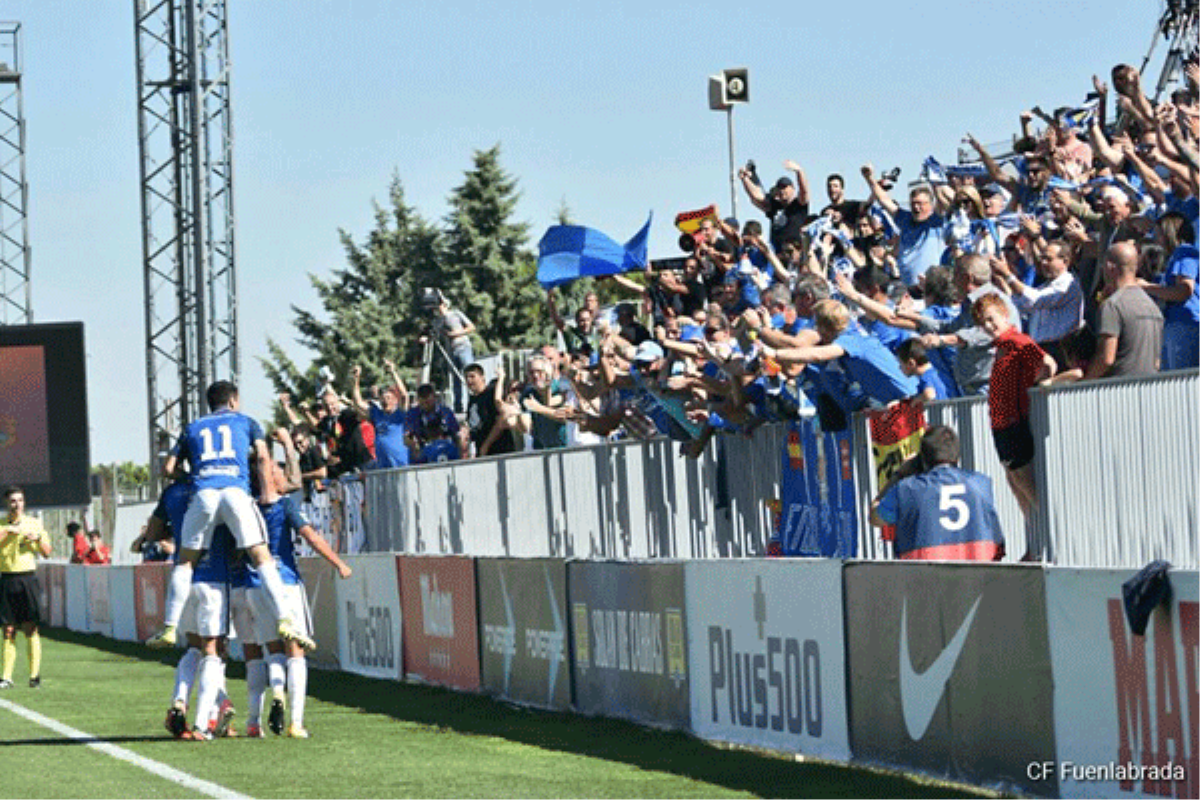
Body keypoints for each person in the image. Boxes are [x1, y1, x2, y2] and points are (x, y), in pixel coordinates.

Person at [148, 380, 312, 652]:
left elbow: (167, 468)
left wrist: (191, 477)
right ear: (234, 400)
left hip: (204, 493)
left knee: (185, 562)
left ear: (210, 403)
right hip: (236, 492)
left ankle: (169, 626)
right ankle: (285, 618)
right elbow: (262, 457)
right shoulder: (246, 422)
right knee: (261, 557)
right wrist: (265, 490)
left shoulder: (193, 427)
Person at [235, 456, 352, 739]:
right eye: (277, 469)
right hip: (284, 583)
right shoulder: (285, 505)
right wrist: (338, 563)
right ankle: (296, 722)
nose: (282, 474)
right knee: (295, 651)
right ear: (269, 476)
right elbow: (311, 537)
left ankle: (274, 696)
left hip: (254, 585)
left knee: (273, 650)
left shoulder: (247, 508)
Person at [972, 293, 1056, 558]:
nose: (988, 326)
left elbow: (1047, 363)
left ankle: (1050, 543)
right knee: (1016, 485)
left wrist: (1041, 383)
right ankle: (1034, 545)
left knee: (1027, 485)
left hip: (1014, 422)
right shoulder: (1001, 347)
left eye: (991, 319)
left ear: (1004, 314)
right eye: (983, 323)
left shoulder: (1018, 341)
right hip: (1000, 424)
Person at [870, 426, 1005, 561]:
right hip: (978, 573)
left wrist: (899, 474)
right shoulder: (981, 484)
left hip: (922, 574)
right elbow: (997, 546)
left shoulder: (905, 489)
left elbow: (874, 517)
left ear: (922, 460)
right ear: (957, 456)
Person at [1085, 241, 1163, 378]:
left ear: (1109, 266)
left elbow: (1106, 359)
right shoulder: (1153, 307)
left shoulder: (1112, 305)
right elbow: (1156, 362)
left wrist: (1086, 381)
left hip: (1119, 386)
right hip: (1150, 386)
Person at [0, 486, 52, 689]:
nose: (17, 505)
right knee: (8, 629)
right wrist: (8, 532)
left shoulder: (34, 523)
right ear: (7, 503)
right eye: (13, 501)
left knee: (30, 627)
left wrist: (36, 539)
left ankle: (34, 676)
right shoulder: (2, 524)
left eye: (20, 500)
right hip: (7, 579)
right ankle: (6, 677)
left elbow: (47, 552)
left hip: (28, 579)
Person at [1140, 211, 1200, 369]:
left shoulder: (1184, 251)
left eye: (1159, 234)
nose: (1156, 239)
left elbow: (1184, 290)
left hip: (1184, 324)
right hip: (1175, 323)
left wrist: (1146, 286)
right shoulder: (1175, 256)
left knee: (1182, 378)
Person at [351, 361, 410, 470]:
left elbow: (404, 395)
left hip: (400, 462)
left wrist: (393, 372)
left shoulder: (400, 414)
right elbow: (358, 403)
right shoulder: (377, 414)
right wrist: (356, 379)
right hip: (383, 465)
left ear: (395, 401)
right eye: (383, 398)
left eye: (389, 398)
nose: (386, 401)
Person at [465, 364, 519, 458]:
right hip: (481, 451)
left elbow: (500, 422)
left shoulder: (491, 393)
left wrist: (486, 445)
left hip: (500, 450)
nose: (469, 380)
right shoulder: (472, 400)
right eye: (466, 377)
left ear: (482, 377)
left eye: (472, 376)